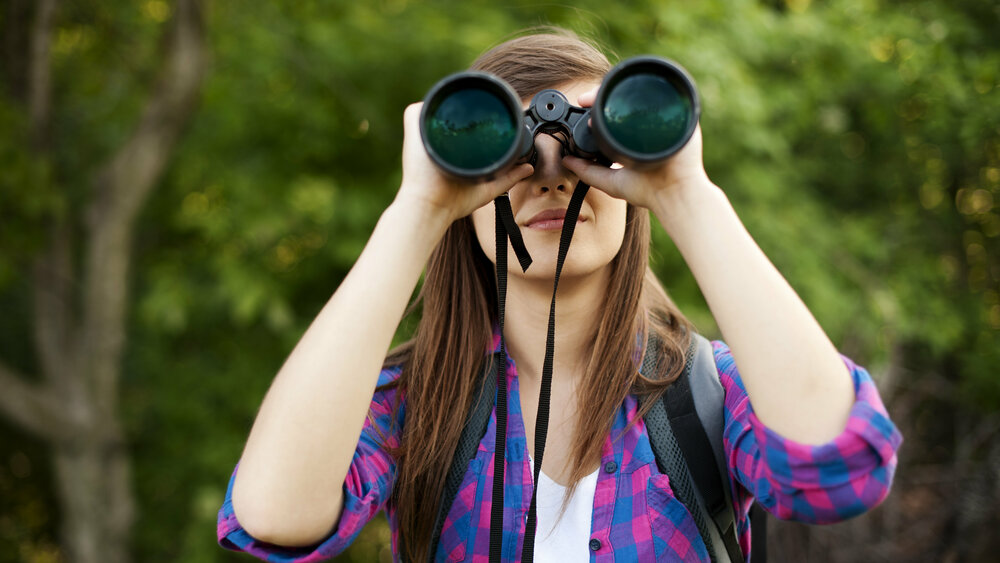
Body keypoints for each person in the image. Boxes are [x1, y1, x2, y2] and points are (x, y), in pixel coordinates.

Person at [216, 29, 902, 562]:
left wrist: (683, 192)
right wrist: (417, 210)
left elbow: (841, 472)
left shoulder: (709, 391)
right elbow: (273, 514)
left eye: (589, 146)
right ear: (470, 193)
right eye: (511, 153)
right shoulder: (416, 400)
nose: (551, 175)